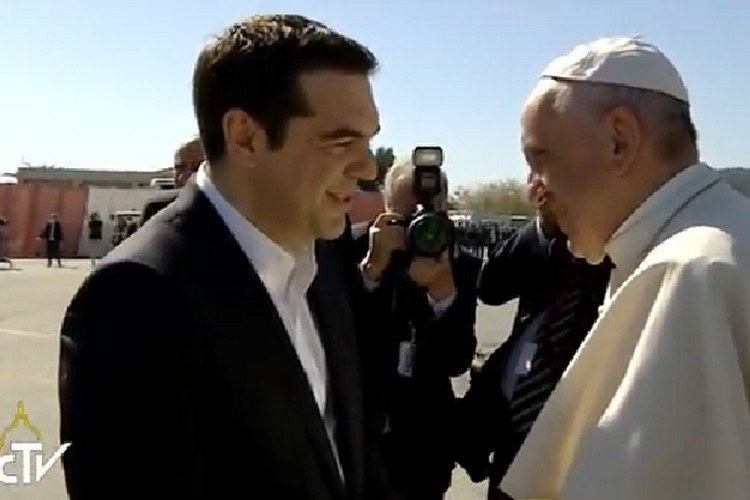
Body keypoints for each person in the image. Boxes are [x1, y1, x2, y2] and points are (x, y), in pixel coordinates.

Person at [58, 14, 395, 500]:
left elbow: (350, 463)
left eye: (369, 141)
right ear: (244, 136)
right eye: (342, 141)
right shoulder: (136, 299)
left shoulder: (323, 260)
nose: (366, 168)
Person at [499, 36, 750, 500]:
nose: (532, 189)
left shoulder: (687, 273)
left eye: (540, 158)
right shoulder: (720, 238)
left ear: (620, 140)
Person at [454, 199, 611, 499]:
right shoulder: (548, 244)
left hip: (579, 431)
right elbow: (491, 288)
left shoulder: (619, 247)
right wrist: (543, 226)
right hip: (515, 422)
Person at [354, 161, 481, 499]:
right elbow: (341, 342)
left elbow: (457, 361)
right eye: (406, 218)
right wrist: (371, 272)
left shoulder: (461, 265)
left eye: (427, 214)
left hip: (427, 446)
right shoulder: (355, 253)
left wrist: (444, 295)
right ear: (386, 207)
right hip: (364, 441)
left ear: (444, 209)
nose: (418, 228)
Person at [141, 137, 205, 224]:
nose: (180, 177)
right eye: (178, 169)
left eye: (196, 168)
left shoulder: (156, 208)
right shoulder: (157, 208)